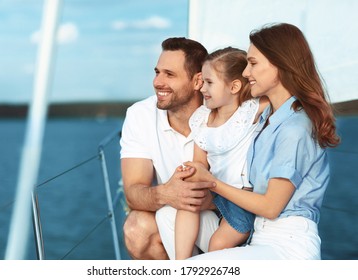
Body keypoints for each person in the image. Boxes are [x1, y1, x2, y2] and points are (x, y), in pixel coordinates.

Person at [176, 23, 340, 260]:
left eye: (253, 64)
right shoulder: (266, 118)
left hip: (289, 247)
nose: (245, 73)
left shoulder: (295, 127)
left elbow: (271, 207)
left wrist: (211, 182)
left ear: (279, 64)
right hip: (259, 238)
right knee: (171, 219)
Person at [120, 37, 219, 260]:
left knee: (171, 214)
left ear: (197, 81)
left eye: (169, 74)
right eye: (157, 72)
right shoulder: (140, 115)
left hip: (224, 221)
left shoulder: (223, 112)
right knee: (137, 228)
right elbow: (133, 193)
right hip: (174, 215)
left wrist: (208, 199)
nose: (157, 82)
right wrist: (168, 193)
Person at [174, 47, 269, 259]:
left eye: (209, 83)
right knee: (187, 199)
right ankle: (180, 263)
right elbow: (199, 162)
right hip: (215, 192)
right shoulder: (202, 118)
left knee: (217, 245)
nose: (202, 89)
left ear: (234, 86)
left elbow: (282, 91)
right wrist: (191, 171)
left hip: (242, 197)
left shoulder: (250, 111)